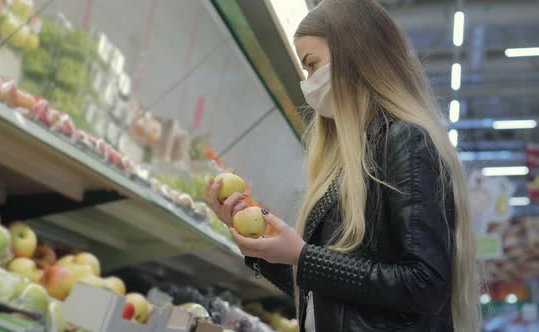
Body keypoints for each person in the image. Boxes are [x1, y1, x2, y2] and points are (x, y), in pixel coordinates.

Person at [204, 0, 479, 331]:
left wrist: (304, 257)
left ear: (355, 52)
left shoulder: (404, 141)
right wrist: (261, 246)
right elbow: (326, 296)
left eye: (312, 65)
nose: (308, 83)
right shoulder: (349, 160)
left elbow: (425, 284)